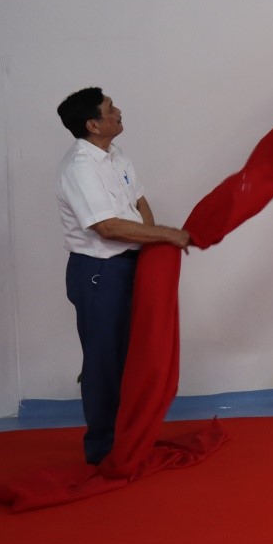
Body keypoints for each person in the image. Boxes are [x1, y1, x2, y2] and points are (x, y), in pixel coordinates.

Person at [55, 87, 190, 464]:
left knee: (134, 356)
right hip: (99, 273)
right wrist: (167, 235)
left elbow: (139, 201)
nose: (118, 111)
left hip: (129, 264)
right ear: (93, 124)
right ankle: (103, 449)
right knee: (104, 361)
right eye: (110, 108)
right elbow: (108, 227)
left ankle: (131, 439)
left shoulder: (116, 155)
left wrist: (150, 243)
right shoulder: (79, 168)